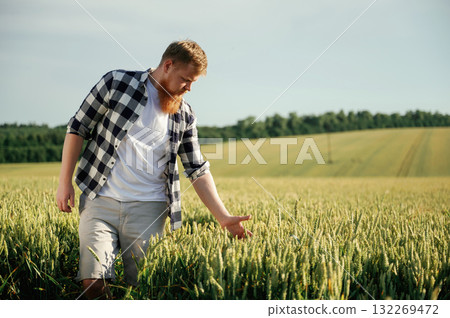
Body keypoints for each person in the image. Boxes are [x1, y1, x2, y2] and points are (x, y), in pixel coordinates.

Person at [56, 40, 252, 299]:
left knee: (138, 289)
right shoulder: (116, 83)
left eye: (193, 83)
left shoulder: (184, 115)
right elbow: (78, 127)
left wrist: (223, 217)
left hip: (150, 210)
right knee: (93, 283)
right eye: (185, 80)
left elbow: (197, 169)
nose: (189, 88)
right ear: (168, 65)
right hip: (99, 201)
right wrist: (64, 181)